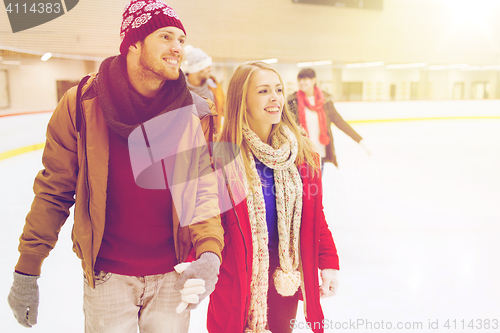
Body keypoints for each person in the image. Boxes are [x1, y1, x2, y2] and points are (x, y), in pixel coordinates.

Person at [7, 1, 224, 332]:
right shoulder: (81, 103)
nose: (178, 48)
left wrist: (209, 253)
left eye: (181, 40)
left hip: (172, 275)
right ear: (133, 42)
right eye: (166, 37)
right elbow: (55, 190)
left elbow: (201, 190)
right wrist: (27, 268)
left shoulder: (193, 112)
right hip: (107, 276)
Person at [208, 61, 340, 333]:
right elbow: (206, 223)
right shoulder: (221, 158)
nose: (275, 98)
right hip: (237, 275)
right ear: (241, 101)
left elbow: (315, 217)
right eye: (263, 91)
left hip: (284, 275)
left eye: (279, 90)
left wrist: (328, 262)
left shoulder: (301, 156)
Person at [288, 68, 370, 170]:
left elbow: (340, 123)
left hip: (319, 153)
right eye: (299, 80)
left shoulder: (325, 101)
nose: (301, 82)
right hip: (301, 153)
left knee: (316, 185)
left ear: (314, 80)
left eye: (305, 79)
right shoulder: (292, 101)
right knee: (301, 185)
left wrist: (360, 140)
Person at [182, 45, 225, 133]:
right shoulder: (179, 88)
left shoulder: (214, 86)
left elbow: (224, 109)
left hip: (210, 138)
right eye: (207, 66)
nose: (210, 69)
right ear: (198, 68)